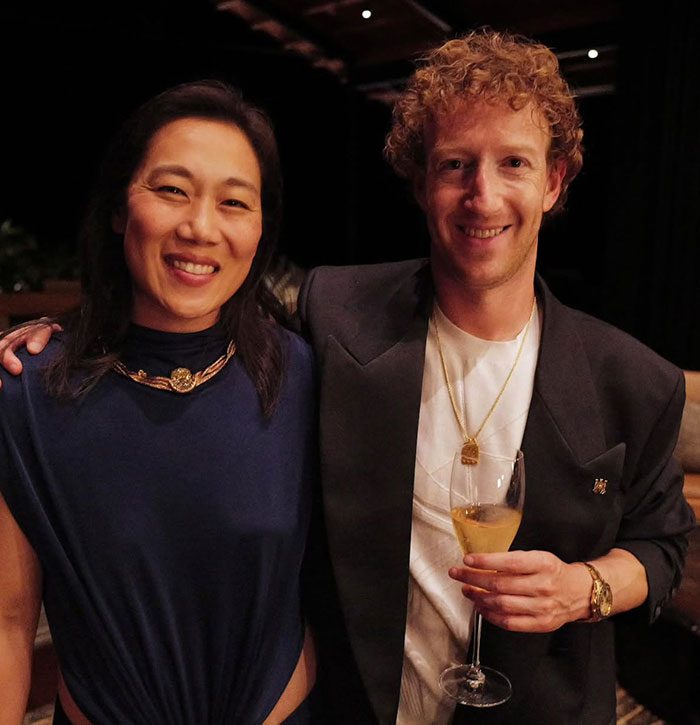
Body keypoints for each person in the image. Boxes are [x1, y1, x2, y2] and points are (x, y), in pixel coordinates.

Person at [1, 31, 695, 725]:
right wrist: (66, 332)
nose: (482, 196)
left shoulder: (630, 379)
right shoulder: (337, 319)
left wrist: (585, 587)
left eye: (513, 163)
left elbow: (664, 545)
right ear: (422, 182)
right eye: (455, 164)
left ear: (553, 181)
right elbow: (184, 312)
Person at [0, 81, 316, 724]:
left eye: (234, 202)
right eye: (172, 190)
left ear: (261, 230)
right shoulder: (26, 393)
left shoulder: (305, 374)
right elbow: (5, 628)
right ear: (120, 207)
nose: (200, 227)